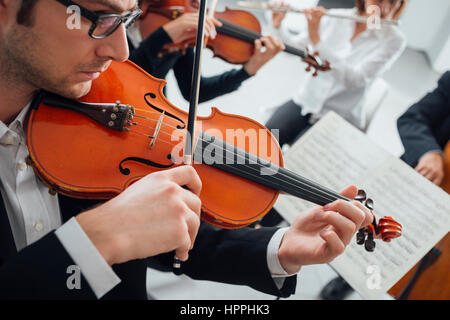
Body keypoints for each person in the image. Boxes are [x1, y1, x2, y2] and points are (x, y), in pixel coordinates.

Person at [0, 0, 373, 299]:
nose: (121, 50)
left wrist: (279, 248)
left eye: (127, 18)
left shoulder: (91, 102)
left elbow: (159, 225)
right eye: (99, 17)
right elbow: (117, 229)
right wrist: (90, 241)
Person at [258, 0, 407, 227]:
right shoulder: (337, 17)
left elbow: (354, 78)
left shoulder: (394, 40)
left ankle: (261, 227)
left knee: (296, 175)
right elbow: (298, 48)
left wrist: (317, 39)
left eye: (392, 1)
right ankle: (243, 205)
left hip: (337, 118)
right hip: (305, 101)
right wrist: (278, 26)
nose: (384, 6)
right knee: (258, 145)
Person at [320, 71, 450, 300]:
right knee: (378, 233)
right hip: (419, 183)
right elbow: (412, 117)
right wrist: (429, 151)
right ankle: (349, 279)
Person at [127, 0, 285, 103]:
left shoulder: (182, 34)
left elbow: (195, 91)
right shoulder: (114, 18)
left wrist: (247, 71)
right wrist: (163, 35)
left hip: (148, 110)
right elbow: (123, 76)